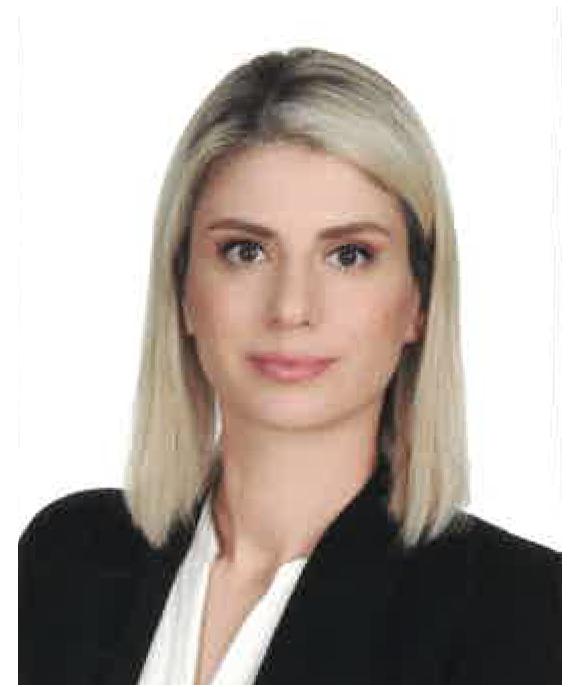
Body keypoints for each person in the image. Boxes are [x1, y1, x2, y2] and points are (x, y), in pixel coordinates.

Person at [19, 47, 561, 685]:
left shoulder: (528, 613)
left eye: (349, 255)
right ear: (183, 289)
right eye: (246, 251)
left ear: (419, 301)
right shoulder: (60, 562)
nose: (291, 308)